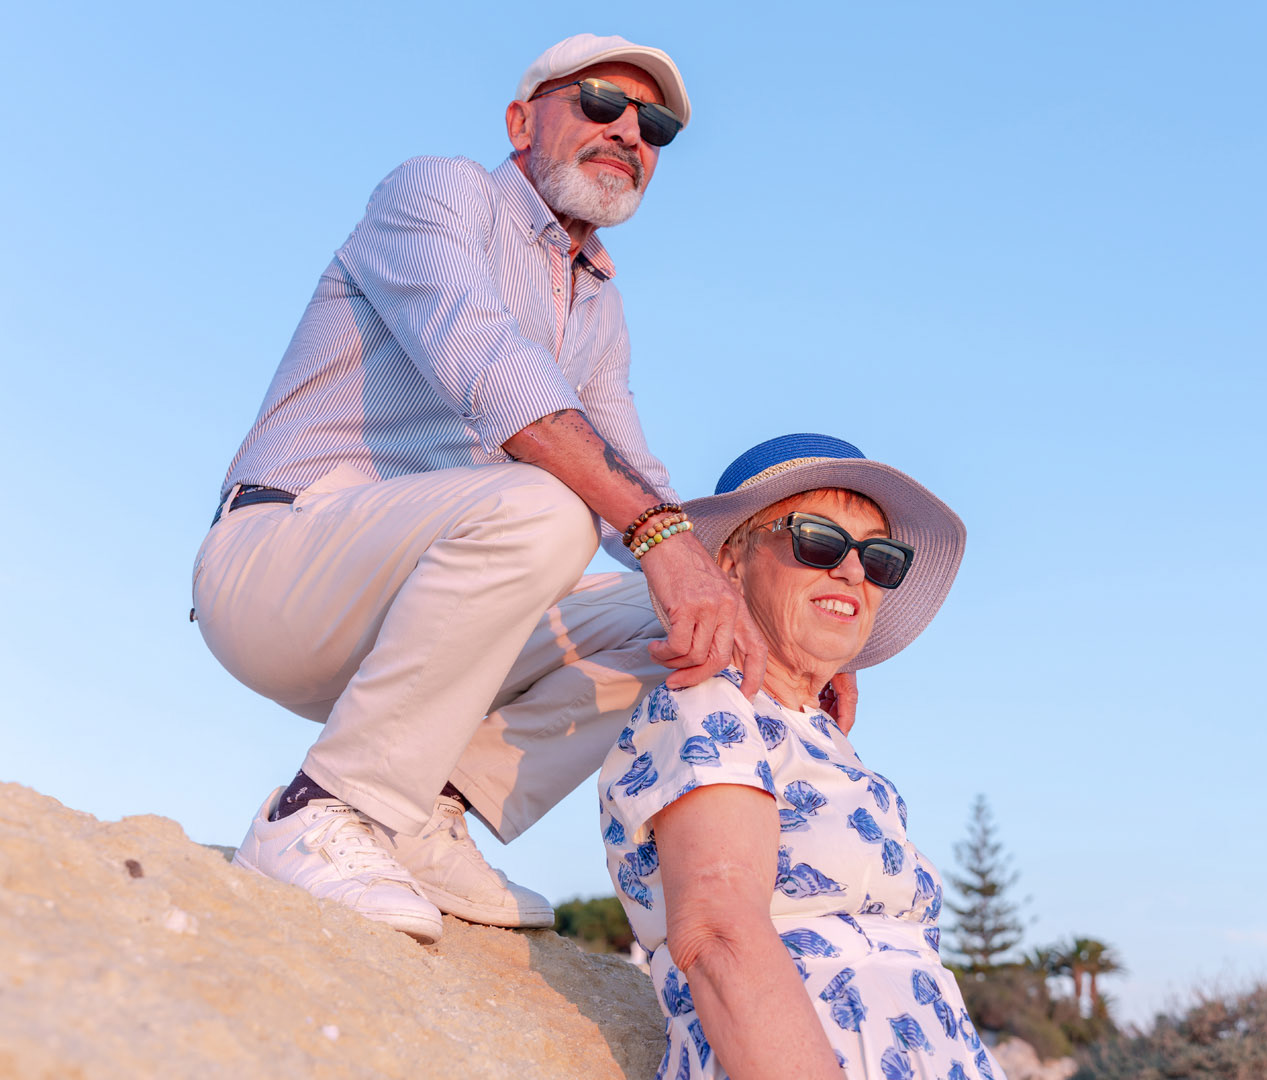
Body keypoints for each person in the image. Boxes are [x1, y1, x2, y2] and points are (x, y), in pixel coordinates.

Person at [192, 34, 825, 946]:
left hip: (438, 613)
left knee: (688, 630)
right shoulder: (440, 191)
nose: (626, 133)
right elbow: (487, 366)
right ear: (522, 120)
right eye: (600, 104)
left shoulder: (599, 300)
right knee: (551, 507)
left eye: (652, 125)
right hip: (280, 564)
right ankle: (319, 808)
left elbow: (633, 472)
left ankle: (421, 810)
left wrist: (773, 639)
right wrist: (656, 535)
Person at [598, 434, 1004, 1080]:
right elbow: (719, 936)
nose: (851, 571)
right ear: (728, 561)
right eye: (817, 541)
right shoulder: (706, 707)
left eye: (879, 557)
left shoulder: (824, 739)